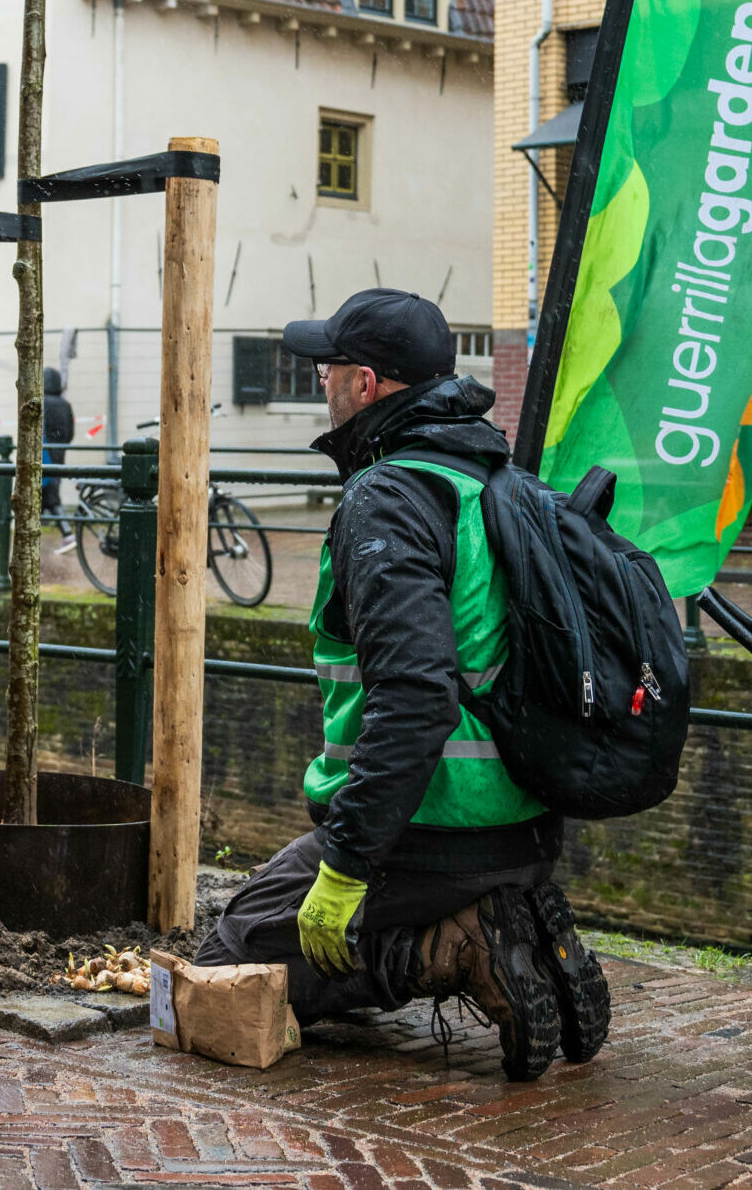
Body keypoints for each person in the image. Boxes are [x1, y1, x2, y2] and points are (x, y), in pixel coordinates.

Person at [195, 288, 585, 1082]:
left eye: (328, 369)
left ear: (365, 385)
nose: (321, 385)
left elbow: (414, 701)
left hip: (435, 829)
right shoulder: (497, 480)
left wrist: (344, 869)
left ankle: (450, 949)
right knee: (252, 916)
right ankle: (509, 921)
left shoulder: (388, 499)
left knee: (224, 964)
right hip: (530, 826)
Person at [42, 366, 76, 525]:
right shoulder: (65, 404)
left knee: (48, 493)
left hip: (45, 451)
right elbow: (70, 432)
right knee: (52, 488)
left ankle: (66, 531)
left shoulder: (43, 403)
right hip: (59, 452)